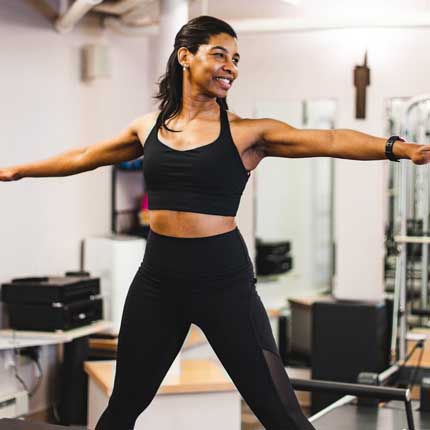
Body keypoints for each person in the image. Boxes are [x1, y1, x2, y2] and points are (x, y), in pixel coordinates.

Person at [1, 14, 429, 430]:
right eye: (221, 54)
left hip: (223, 281)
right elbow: (83, 157)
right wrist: (19, 170)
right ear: (185, 56)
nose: (231, 68)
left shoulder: (247, 132)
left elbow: (330, 139)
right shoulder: (148, 127)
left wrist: (398, 147)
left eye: (237, 59)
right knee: (124, 405)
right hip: (158, 281)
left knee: (278, 410)